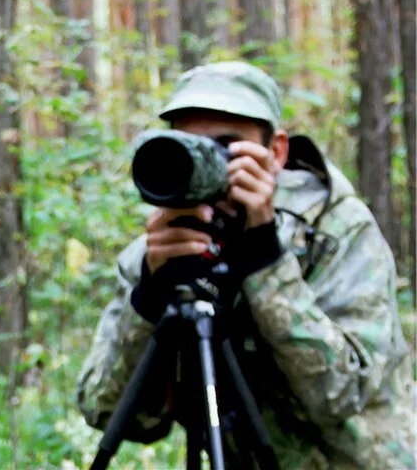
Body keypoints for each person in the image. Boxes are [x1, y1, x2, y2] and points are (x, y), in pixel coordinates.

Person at [77, 61, 415, 468]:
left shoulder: (334, 231)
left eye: (225, 148)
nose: (206, 164)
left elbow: (341, 394)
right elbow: (106, 412)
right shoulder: (164, 249)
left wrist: (266, 264)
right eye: (190, 148)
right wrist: (149, 299)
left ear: (276, 153)